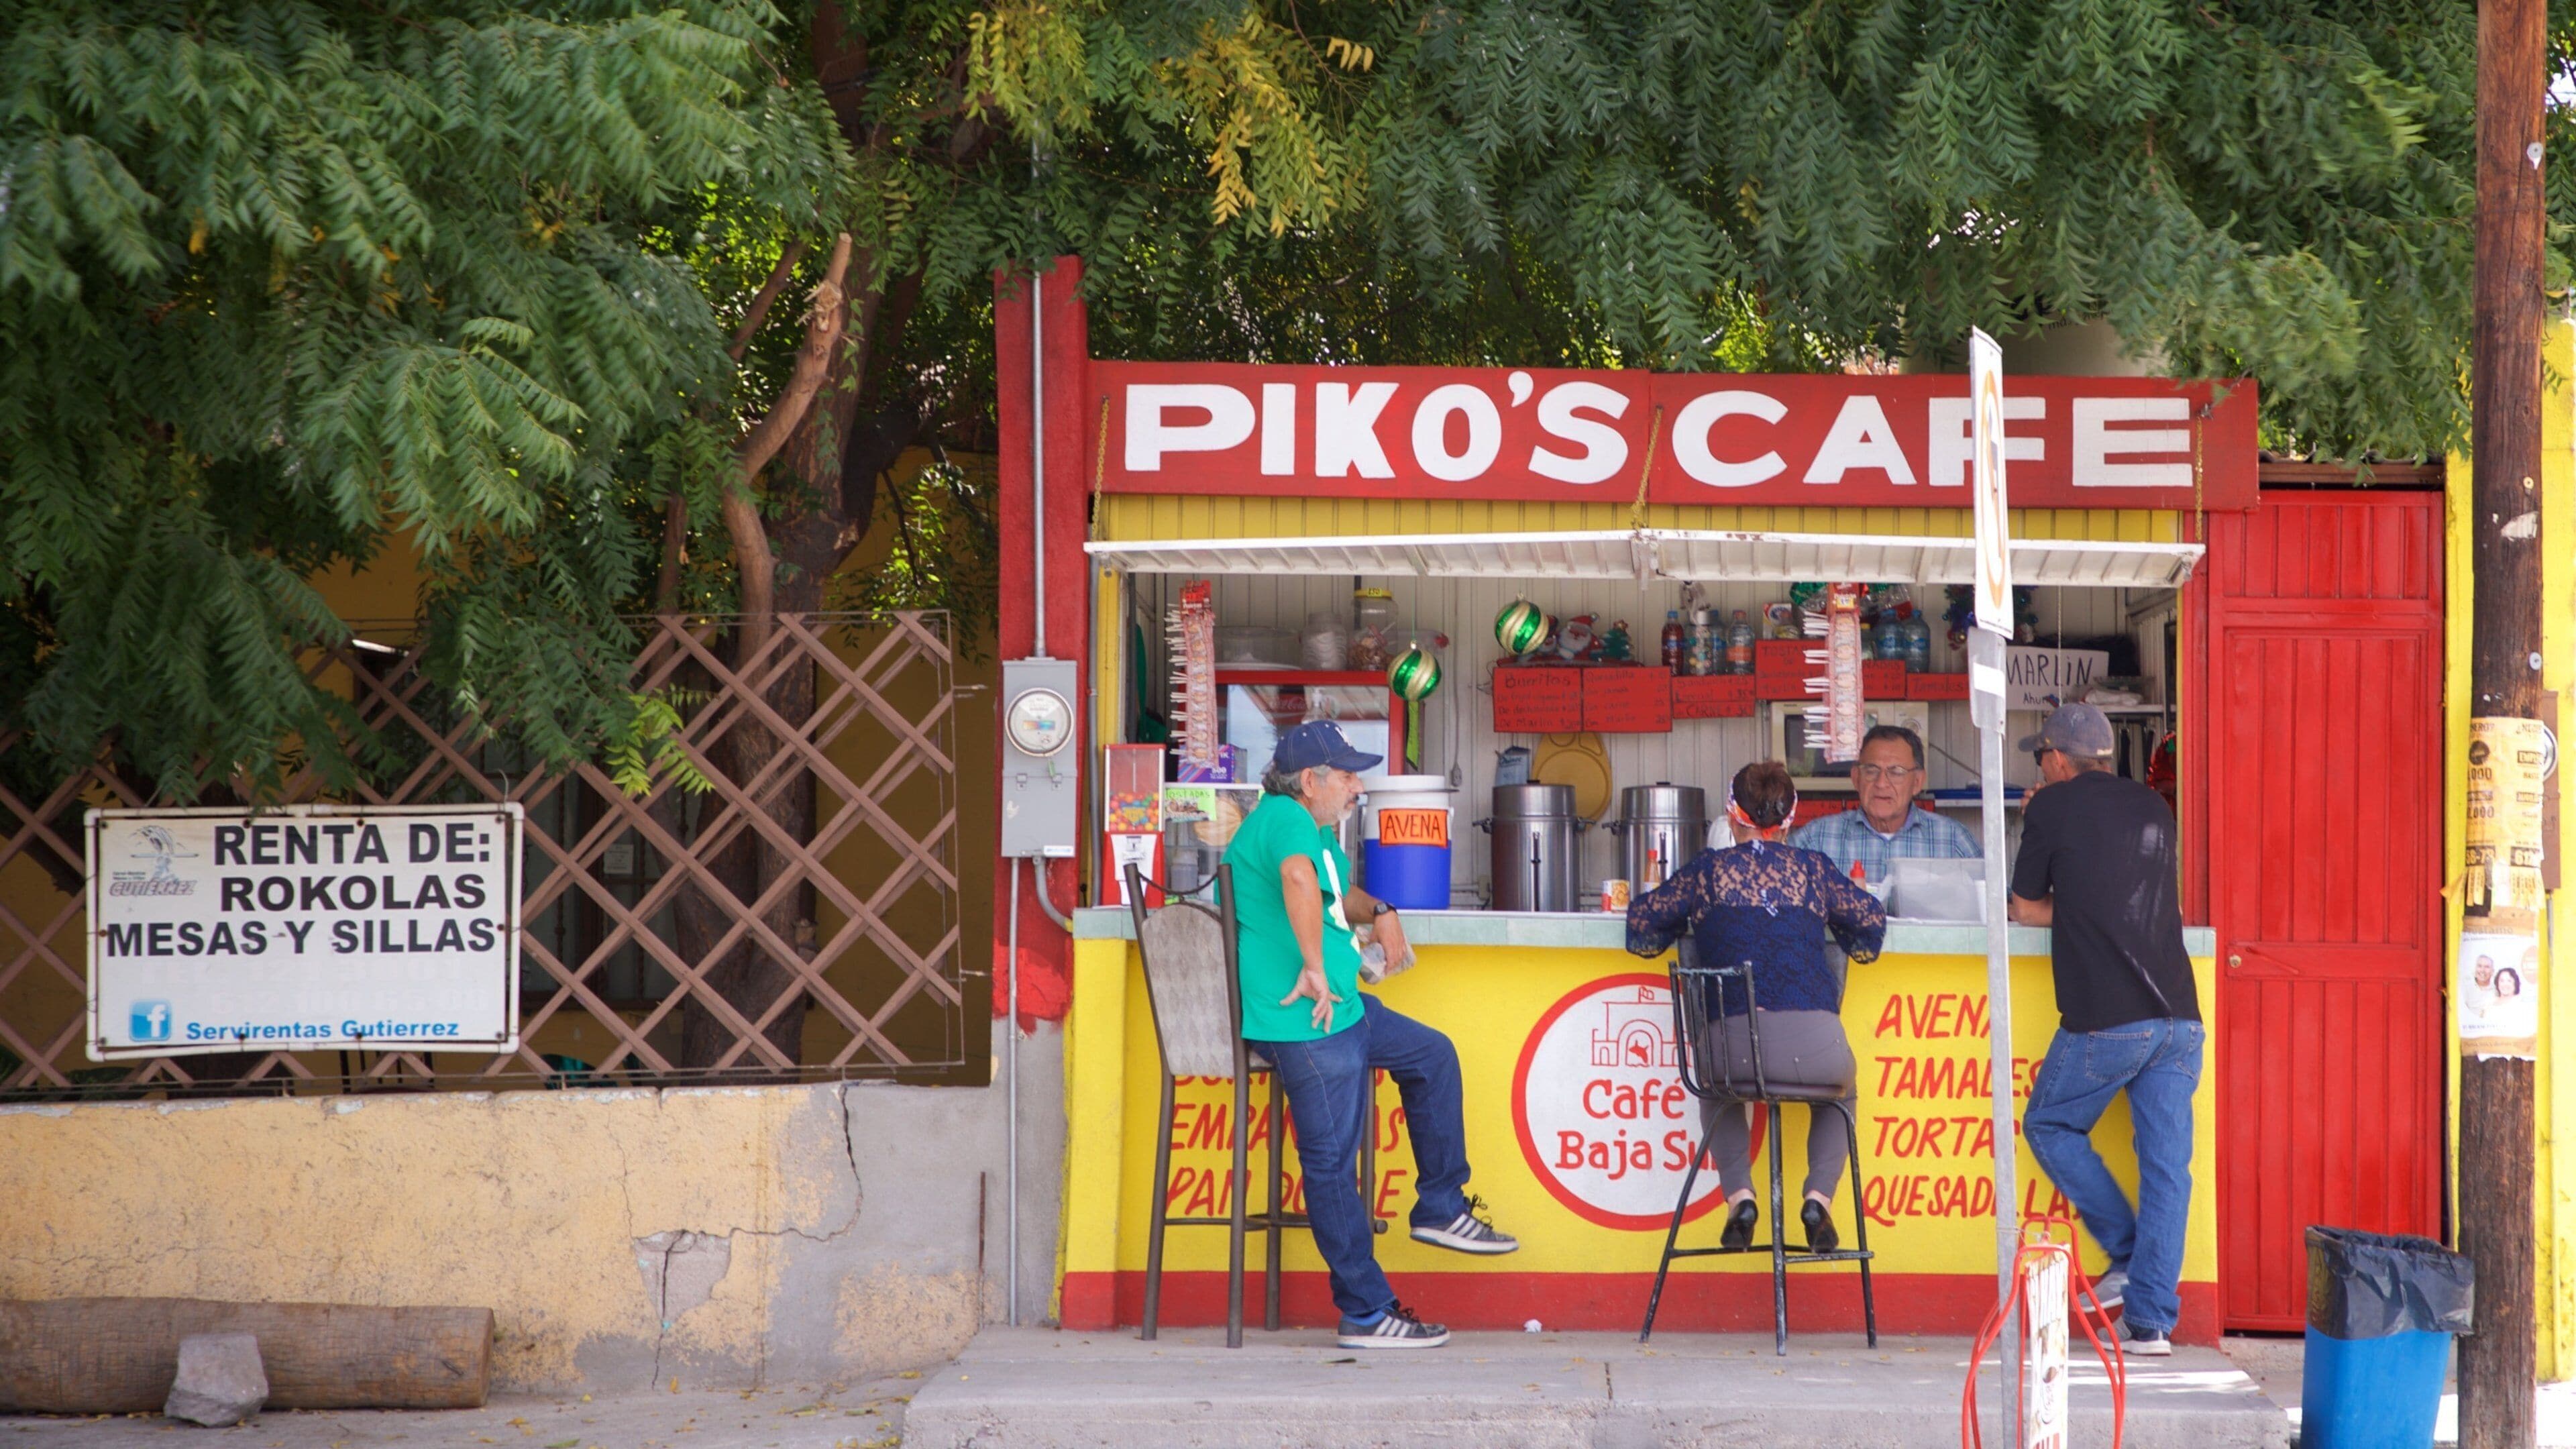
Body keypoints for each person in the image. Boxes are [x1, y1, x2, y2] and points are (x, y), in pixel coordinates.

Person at [1224, 720, 1518, 1350]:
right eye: (1350, 775)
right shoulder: (1284, 820)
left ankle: (1440, 1205)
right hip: (1304, 1017)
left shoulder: (1311, 828)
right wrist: (1312, 965)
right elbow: (1298, 882)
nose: (1360, 786)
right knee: (1330, 1165)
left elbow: (1333, 894)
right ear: (1312, 780)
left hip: (1345, 1008)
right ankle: (1365, 1311)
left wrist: (1381, 912)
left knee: (1431, 1056)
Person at [1625, 760, 1886, 1254]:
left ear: (1731, 812)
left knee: (1718, 1086)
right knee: (1840, 1091)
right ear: (1791, 818)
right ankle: (1818, 1199)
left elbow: (1642, 924)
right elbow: (1871, 925)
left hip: (1732, 1053)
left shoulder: (1707, 872)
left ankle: (1740, 1197)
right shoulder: (1814, 870)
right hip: (1818, 1051)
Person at [2006, 702, 2202, 1358]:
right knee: (2168, 1169)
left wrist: (2044, 822)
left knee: (2049, 1125)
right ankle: (2150, 1324)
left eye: (2042, 755)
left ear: (2059, 759)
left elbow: (2029, 910)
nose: (2042, 764)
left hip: (2110, 1017)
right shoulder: (2154, 807)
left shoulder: (2050, 806)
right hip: (2180, 1016)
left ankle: (2122, 1251)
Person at [1787, 724, 1978, 881]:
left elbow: (1996, 907)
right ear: (1856, 778)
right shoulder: (1815, 841)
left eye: (1896, 772)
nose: (1881, 783)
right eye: (1871, 770)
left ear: (1917, 782)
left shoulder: (1953, 841)